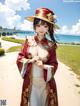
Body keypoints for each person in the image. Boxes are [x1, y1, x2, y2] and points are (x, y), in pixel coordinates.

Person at [16, 8, 59, 106]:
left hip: (46, 84)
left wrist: (43, 66)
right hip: (31, 83)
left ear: (48, 28)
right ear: (34, 26)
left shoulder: (51, 45)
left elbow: (54, 64)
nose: (41, 28)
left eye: (45, 26)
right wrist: (30, 60)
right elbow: (19, 58)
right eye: (38, 25)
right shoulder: (28, 41)